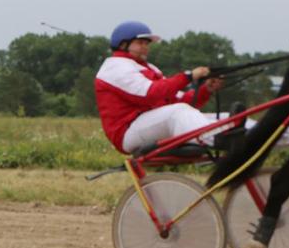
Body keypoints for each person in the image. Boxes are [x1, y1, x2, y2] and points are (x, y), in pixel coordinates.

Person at [95, 22, 227, 154]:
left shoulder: (150, 68)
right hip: (127, 132)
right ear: (123, 45)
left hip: (150, 124)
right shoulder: (115, 67)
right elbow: (149, 94)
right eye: (140, 43)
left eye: (147, 44)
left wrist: (206, 89)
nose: (145, 47)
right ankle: (216, 139)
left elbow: (180, 100)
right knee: (178, 113)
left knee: (227, 117)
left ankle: (242, 139)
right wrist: (188, 77)